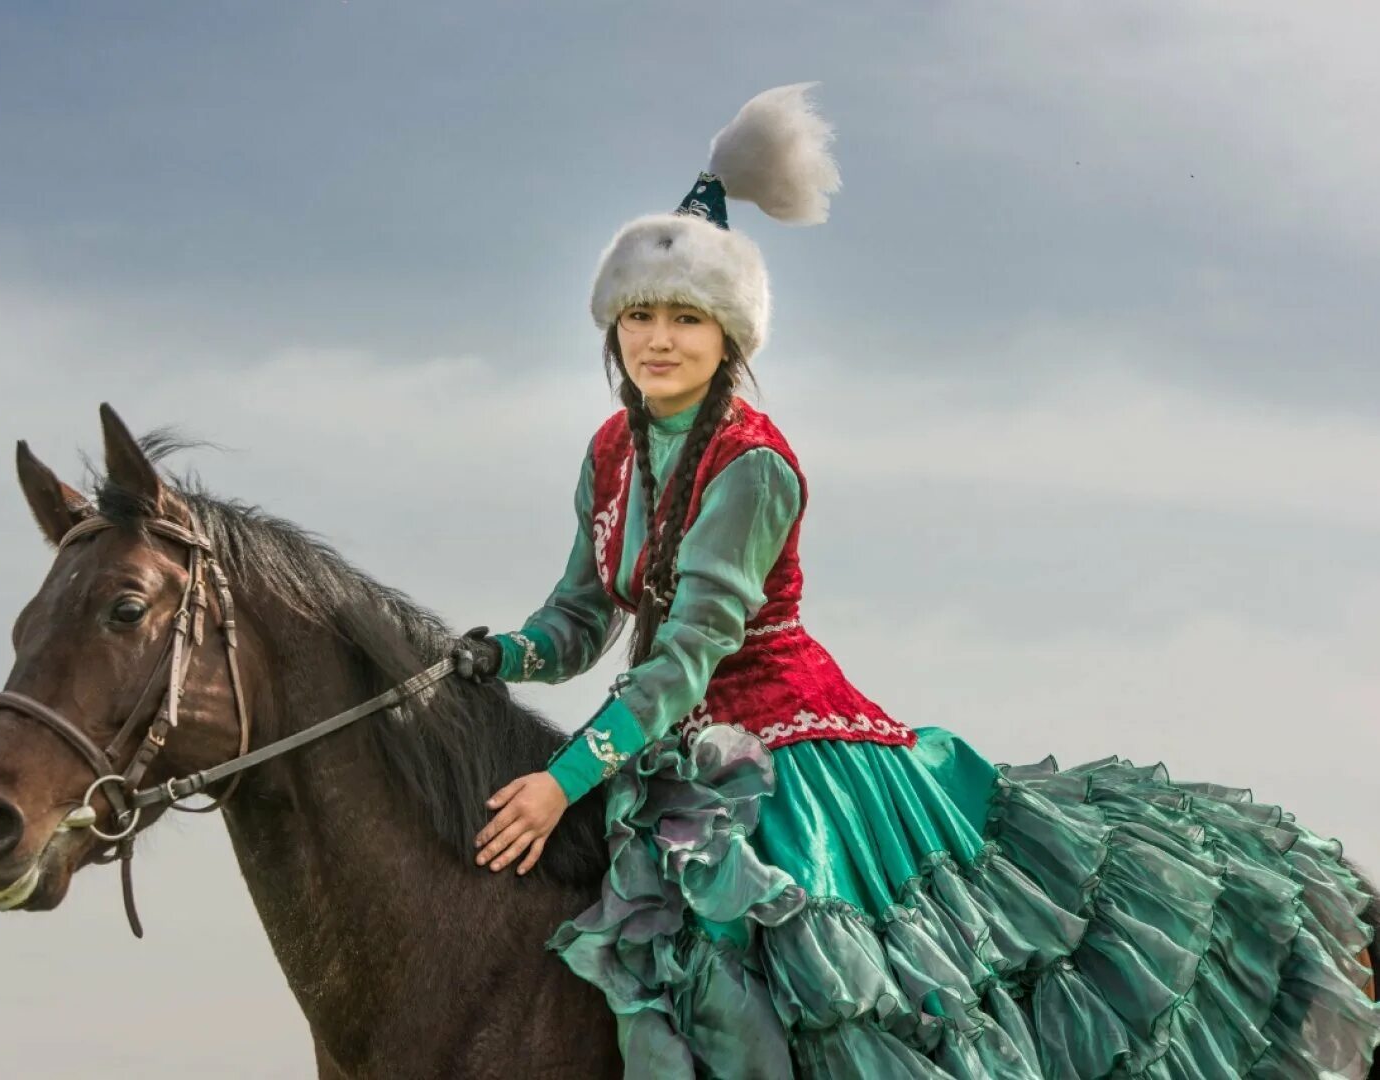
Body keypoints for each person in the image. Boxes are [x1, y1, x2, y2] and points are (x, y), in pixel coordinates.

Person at [452, 84, 1380, 1079]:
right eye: (638, 315)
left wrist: (559, 784)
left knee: (822, 991)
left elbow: (682, 660)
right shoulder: (609, 450)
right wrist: (497, 654)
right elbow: (583, 612)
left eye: (685, 316)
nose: (658, 339)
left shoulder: (749, 463)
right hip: (669, 750)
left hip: (784, 746)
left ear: (728, 338)